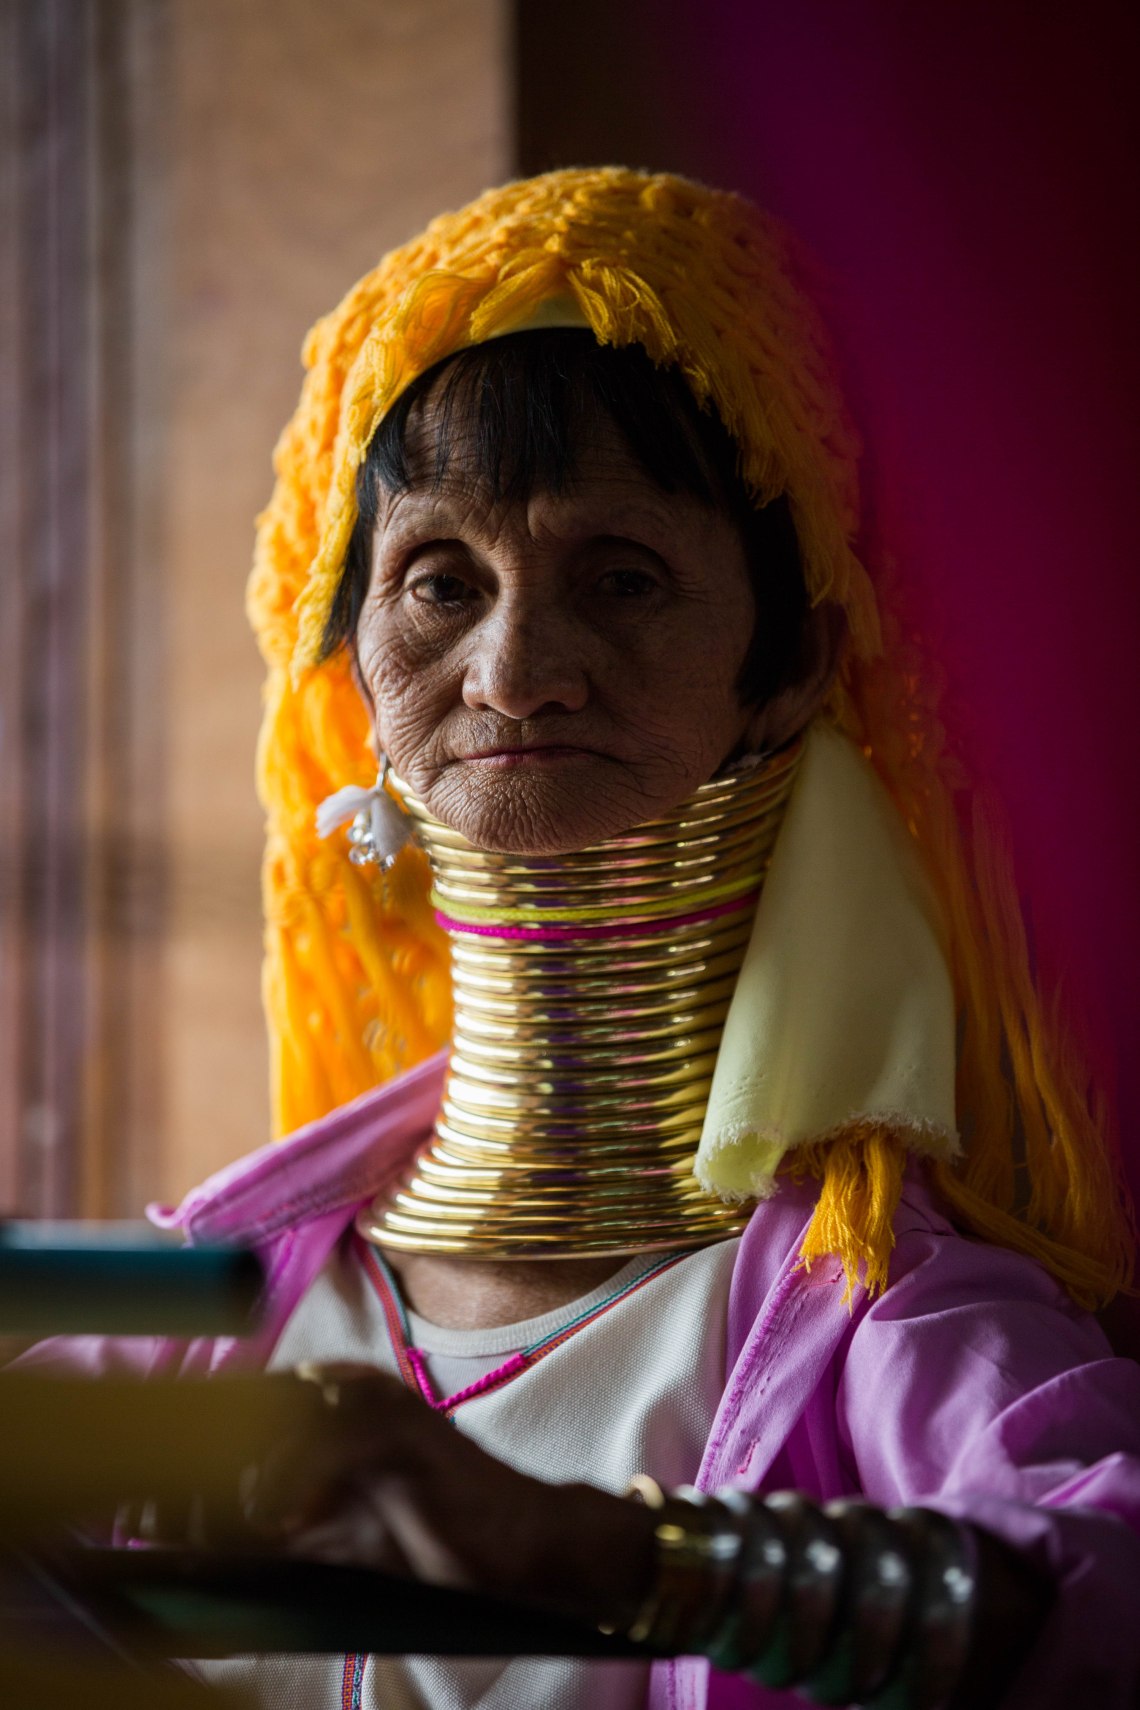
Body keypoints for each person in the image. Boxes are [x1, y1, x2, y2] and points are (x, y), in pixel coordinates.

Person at [21, 168, 1140, 1708]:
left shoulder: (880, 1316)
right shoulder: (210, 1312)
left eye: (621, 578)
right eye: (440, 582)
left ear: (793, 664)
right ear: (350, 670)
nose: (517, 667)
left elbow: (1104, 1583)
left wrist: (608, 1556)